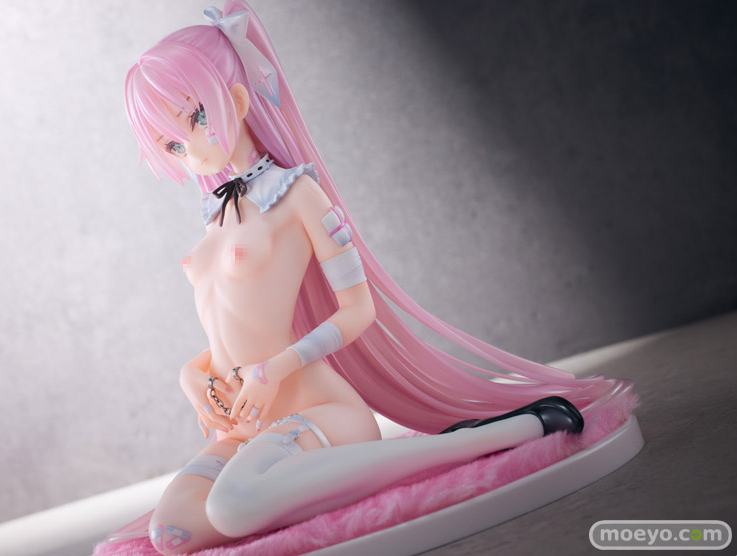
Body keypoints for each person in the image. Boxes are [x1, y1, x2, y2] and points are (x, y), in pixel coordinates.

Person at [112, 2, 627, 553]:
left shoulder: (297, 194)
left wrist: (274, 369)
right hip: (245, 425)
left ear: (235, 102)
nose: (189, 150)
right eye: (171, 144)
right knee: (171, 532)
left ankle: (494, 436)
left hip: (318, 412)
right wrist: (191, 375)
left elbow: (359, 310)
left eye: (194, 119)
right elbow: (232, 330)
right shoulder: (215, 216)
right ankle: (294, 486)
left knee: (232, 508)